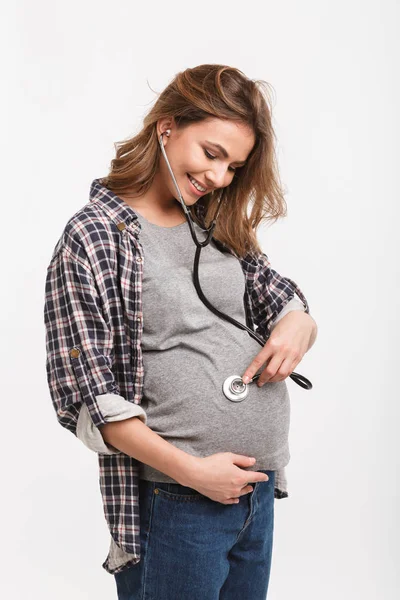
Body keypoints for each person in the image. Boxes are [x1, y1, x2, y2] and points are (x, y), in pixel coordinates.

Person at [44, 64, 317, 599]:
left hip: (255, 497)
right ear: (166, 127)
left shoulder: (214, 226)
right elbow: (90, 404)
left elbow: (278, 295)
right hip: (178, 502)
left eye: (233, 166)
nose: (219, 178)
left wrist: (299, 321)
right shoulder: (94, 237)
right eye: (211, 154)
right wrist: (194, 473)